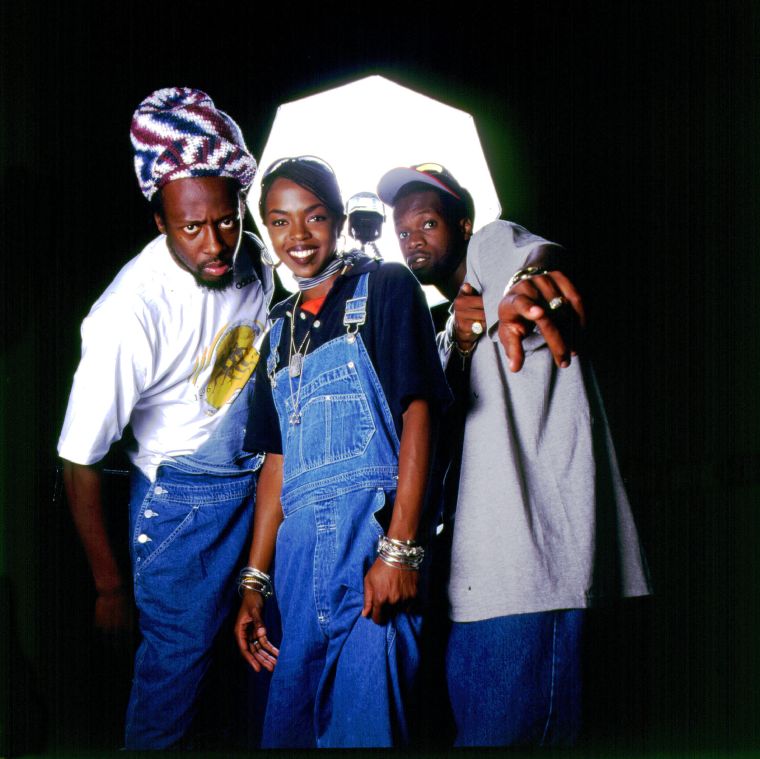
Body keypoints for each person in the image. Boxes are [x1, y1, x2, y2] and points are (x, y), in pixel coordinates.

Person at [377, 163, 652, 747]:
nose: (413, 239)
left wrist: (529, 286)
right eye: (402, 231)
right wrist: (462, 341)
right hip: (472, 585)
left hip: (530, 572)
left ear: (463, 224)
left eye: (427, 222)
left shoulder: (491, 246)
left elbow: (528, 264)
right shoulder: (444, 335)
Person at [57, 87, 273, 750]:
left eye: (227, 221)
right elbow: (79, 459)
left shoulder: (256, 257)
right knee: (175, 686)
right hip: (181, 503)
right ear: (160, 221)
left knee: (264, 664)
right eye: (191, 228)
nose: (215, 244)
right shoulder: (127, 315)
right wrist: (108, 585)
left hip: (259, 480)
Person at [233, 156, 451, 748]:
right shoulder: (277, 330)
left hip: (371, 557)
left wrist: (400, 551)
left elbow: (420, 414)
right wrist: (255, 582)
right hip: (297, 570)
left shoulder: (386, 287)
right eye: (279, 222)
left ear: (338, 219)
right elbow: (276, 463)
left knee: (367, 730)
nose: (298, 236)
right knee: (290, 732)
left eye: (314, 216)